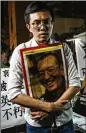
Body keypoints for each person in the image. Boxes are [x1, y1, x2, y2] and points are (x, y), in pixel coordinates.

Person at [7, 1, 81, 133]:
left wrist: (52, 108)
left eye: (47, 22)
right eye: (36, 23)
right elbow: (13, 93)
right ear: (29, 27)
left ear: (52, 24)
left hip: (65, 123)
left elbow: (75, 84)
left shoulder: (64, 49)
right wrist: (48, 106)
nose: (43, 27)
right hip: (37, 126)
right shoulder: (20, 52)